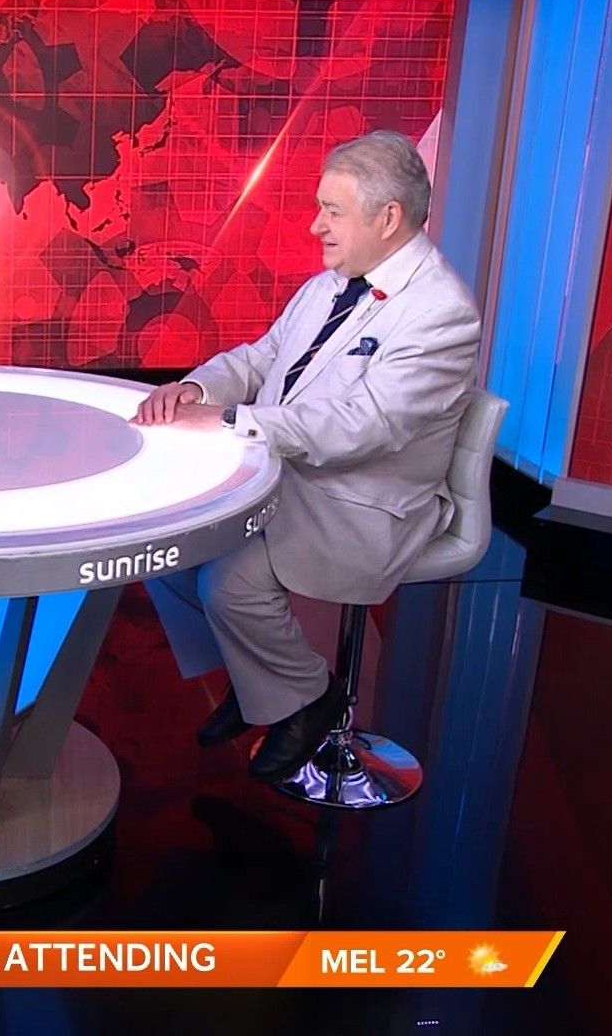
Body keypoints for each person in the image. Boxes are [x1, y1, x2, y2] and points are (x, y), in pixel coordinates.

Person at [132, 130, 482, 784]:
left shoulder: (440, 314)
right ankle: (259, 681)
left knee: (226, 581)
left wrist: (231, 423)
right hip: (294, 473)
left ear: (388, 218)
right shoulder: (334, 283)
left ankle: (307, 697)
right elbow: (262, 357)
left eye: (332, 211)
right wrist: (195, 390)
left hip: (367, 500)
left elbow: (364, 425)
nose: (315, 225)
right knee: (164, 546)